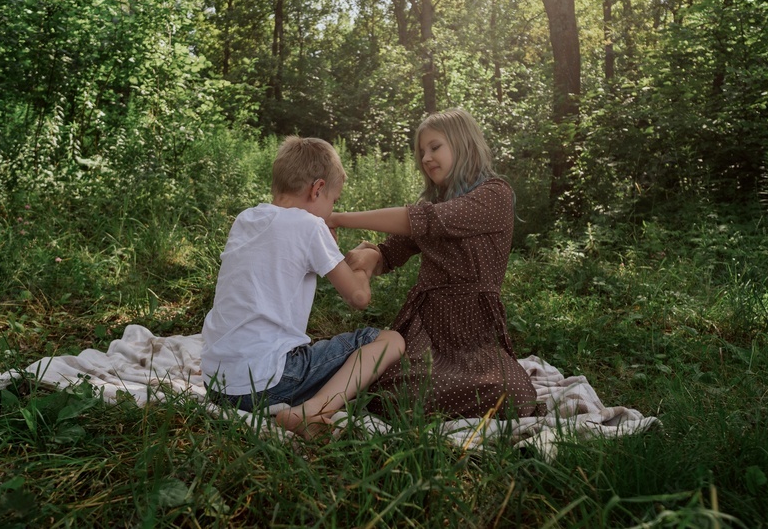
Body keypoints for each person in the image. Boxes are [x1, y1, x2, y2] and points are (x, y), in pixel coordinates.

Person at [331, 109, 538, 419]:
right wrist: (372, 255)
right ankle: (389, 390)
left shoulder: (495, 194)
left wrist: (338, 218)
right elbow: (392, 252)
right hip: (427, 326)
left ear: (463, 143)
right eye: (421, 152)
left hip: (475, 331)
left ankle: (421, 394)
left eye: (435, 147)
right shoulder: (437, 204)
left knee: (516, 395)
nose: (426, 158)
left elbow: (426, 221)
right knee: (389, 391)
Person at [201, 136, 405, 439]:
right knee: (390, 340)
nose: (331, 211)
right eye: (334, 201)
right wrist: (364, 262)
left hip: (217, 383)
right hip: (266, 384)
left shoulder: (245, 219)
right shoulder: (310, 226)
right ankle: (313, 410)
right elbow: (359, 297)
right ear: (317, 189)